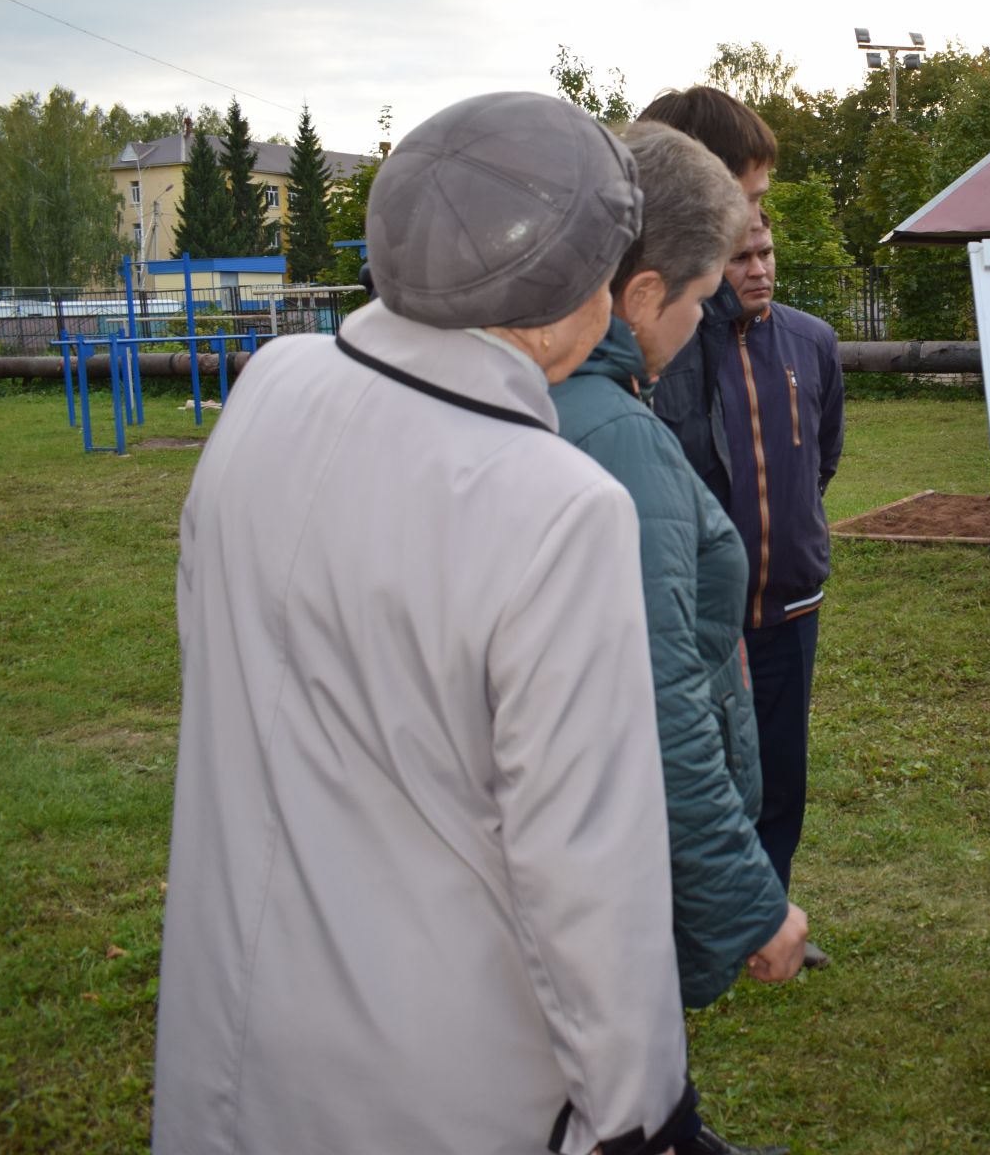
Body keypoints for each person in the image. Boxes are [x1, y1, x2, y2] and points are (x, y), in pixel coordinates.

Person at [153, 92, 695, 1154]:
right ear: (570, 296)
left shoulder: (272, 385)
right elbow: (589, 873)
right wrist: (640, 1116)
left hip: (230, 1018)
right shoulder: (559, 507)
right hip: (440, 1078)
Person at [550, 120, 806, 1155]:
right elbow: (665, 702)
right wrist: (751, 899)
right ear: (646, 295)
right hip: (615, 849)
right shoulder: (620, 440)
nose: (707, 320)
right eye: (700, 299)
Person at [647, 89, 845, 967]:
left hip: (781, 603)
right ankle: (693, 935)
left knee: (774, 774)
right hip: (681, 622)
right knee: (693, 770)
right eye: (750, 200)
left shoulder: (798, 340)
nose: (758, 228)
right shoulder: (652, 342)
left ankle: (760, 919)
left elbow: (819, 457)